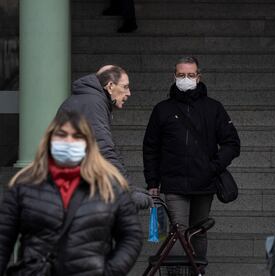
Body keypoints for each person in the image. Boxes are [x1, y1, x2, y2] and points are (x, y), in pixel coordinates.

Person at [0, 111, 143, 275]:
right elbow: (4, 238)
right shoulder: (25, 184)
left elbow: (131, 237)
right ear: (49, 140)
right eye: (61, 135)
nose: (68, 141)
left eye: (77, 136)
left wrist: (110, 271)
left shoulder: (110, 186)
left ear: (88, 143)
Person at [143, 57, 240, 264]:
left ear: (198, 77)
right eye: (181, 75)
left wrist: (213, 167)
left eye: (190, 75)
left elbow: (232, 143)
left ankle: (197, 270)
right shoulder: (162, 109)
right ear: (174, 76)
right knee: (177, 231)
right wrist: (152, 182)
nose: (185, 78)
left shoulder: (214, 108)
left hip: (204, 184)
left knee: (198, 232)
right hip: (174, 183)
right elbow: (150, 148)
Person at [58, 65, 152, 210]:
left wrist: (127, 185)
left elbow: (107, 148)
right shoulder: (93, 103)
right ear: (110, 86)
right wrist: (127, 190)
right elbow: (103, 149)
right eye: (125, 87)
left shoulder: (90, 100)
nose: (129, 93)